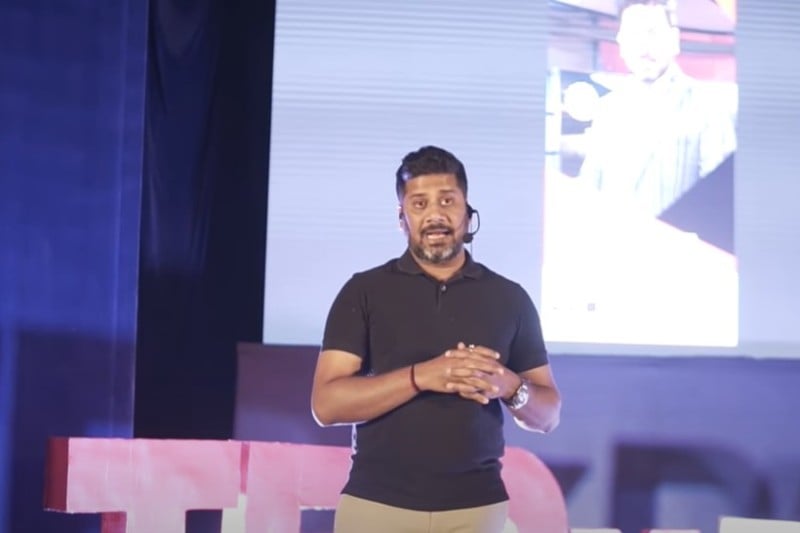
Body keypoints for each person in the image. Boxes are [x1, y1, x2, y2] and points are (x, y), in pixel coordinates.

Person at [311, 145, 561, 533]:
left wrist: (509, 385)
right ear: (402, 218)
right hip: (376, 504)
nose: (435, 215)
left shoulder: (510, 298)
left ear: (467, 212)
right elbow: (326, 406)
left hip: (476, 509)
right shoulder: (363, 291)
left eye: (447, 200)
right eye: (419, 204)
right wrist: (422, 376)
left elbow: (548, 416)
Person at [578, 0, 736, 234]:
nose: (643, 47)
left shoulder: (706, 106)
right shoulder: (609, 109)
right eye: (634, 34)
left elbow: (720, 202)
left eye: (652, 32)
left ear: (674, 40)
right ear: (621, 42)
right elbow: (589, 189)